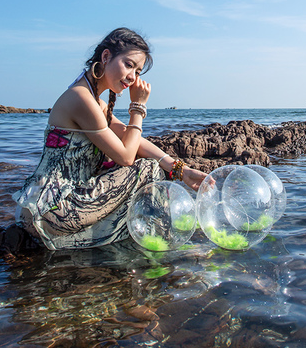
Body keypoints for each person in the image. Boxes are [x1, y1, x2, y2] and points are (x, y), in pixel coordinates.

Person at [13, 27, 206, 249]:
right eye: (129, 65)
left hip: (49, 205)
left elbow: (129, 137)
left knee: (152, 166)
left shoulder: (95, 101)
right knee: (147, 169)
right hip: (53, 209)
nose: (132, 77)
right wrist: (138, 107)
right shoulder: (81, 98)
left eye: (138, 72)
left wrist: (181, 170)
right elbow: (126, 157)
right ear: (106, 57)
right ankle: (150, 239)